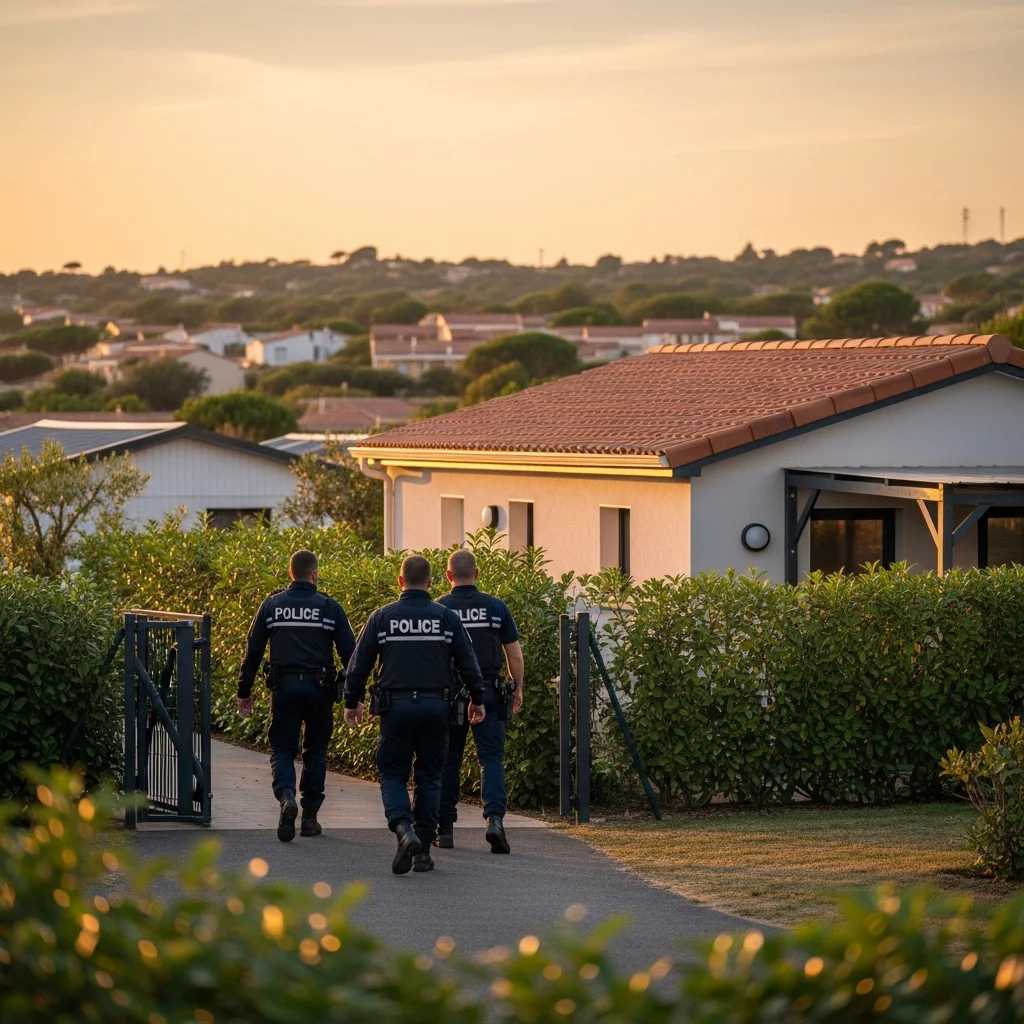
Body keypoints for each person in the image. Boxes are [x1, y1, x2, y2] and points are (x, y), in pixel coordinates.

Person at [342, 554, 486, 875]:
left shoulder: (382, 618)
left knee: (393, 773)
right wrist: (478, 699)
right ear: (432, 582)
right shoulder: (446, 618)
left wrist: (352, 701)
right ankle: (422, 851)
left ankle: (403, 829)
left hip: (396, 709)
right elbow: (468, 663)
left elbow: (359, 663)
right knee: (430, 776)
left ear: (400, 581)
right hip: (438, 709)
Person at [237, 549, 356, 843]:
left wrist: (244, 691)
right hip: (320, 690)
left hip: (284, 690)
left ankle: (286, 797)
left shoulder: (272, 606)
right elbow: (352, 656)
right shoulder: (330, 608)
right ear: (314, 574)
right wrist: (354, 696)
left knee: (282, 749)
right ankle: (311, 817)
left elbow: (252, 652)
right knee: (315, 752)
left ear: (291, 574)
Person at [437, 549, 524, 854]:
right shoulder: (495, 608)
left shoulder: (439, 609)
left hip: (450, 694)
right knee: (491, 759)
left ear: (449, 577)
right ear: (476, 573)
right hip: (489, 690)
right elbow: (513, 653)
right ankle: (495, 821)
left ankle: (444, 829)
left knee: (449, 761)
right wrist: (518, 689)